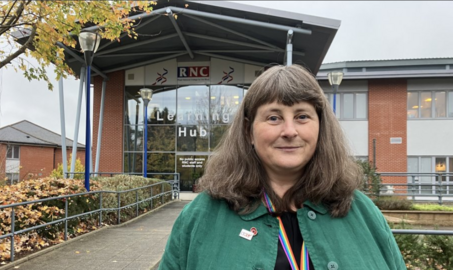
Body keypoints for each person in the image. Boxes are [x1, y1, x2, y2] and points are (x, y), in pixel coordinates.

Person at [159, 65, 406, 270]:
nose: (289, 131)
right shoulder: (200, 218)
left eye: (302, 116)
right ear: (249, 131)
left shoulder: (363, 213)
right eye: (274, 117)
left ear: (320, 128)